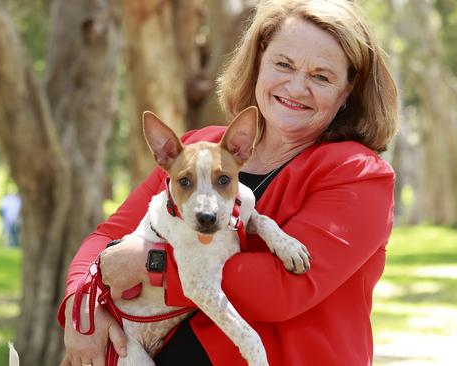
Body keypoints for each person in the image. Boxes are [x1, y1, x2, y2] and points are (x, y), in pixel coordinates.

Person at [59, 0, 398, 365]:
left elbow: (283, 290)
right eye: (283, 64)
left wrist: (152, 263)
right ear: (258, 63)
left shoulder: (359, 174)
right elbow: (106, 236)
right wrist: (82, 308)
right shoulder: (197, 150)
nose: (297, 87)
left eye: (321, 76)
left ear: (348, 89)